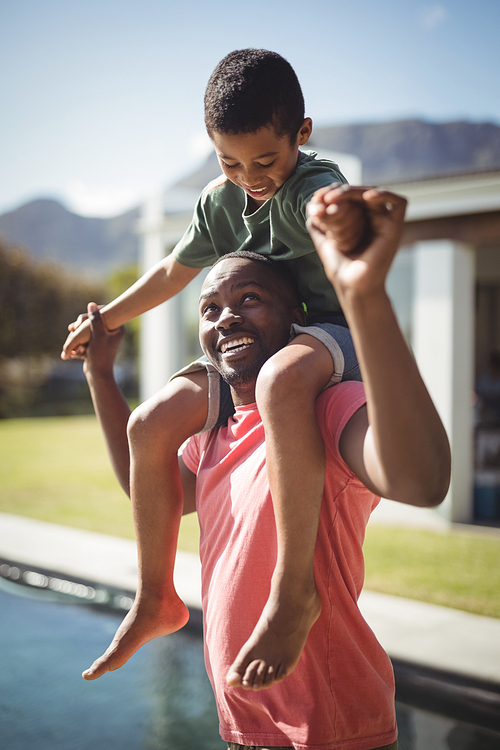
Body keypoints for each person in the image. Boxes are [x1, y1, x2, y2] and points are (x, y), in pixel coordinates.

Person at [80, 186, 450, 750]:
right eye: (209, 308)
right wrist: (101, 377)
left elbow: (420, 481)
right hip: (243, 728)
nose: (226, 317)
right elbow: (147, 490)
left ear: (296, 319)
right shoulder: (212, 437)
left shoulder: (325, 410)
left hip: (332, 728)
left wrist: (364, 297)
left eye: (250, 298)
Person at [61, 48, 370, 686]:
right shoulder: (218, 203)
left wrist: (345, 224)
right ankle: (156, 595)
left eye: (266, 159)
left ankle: (294, 590)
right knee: (147, 423)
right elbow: (173, 272)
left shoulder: (314, 186)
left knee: (284, 380)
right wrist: (106, 320)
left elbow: (340, 224)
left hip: (329, 336)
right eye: (230, 161)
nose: (251, 176)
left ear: (301, 136)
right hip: (249, 347)